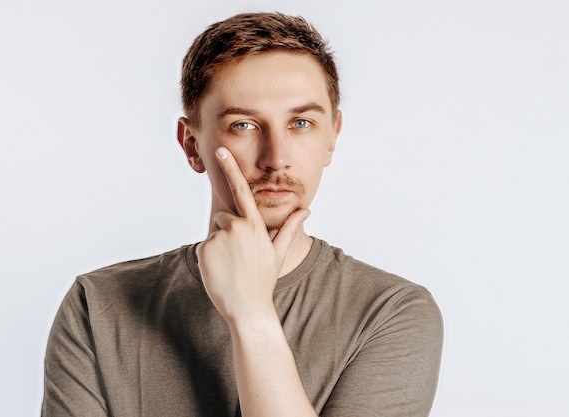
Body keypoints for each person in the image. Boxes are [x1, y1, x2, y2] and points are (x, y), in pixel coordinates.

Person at [41, 12, 443, 417]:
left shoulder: (392, 312)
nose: (276, 159)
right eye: (245, 125)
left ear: (331, 137)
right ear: (192, 145)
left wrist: (252, 315)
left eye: (301, 123)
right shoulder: (98, 304)